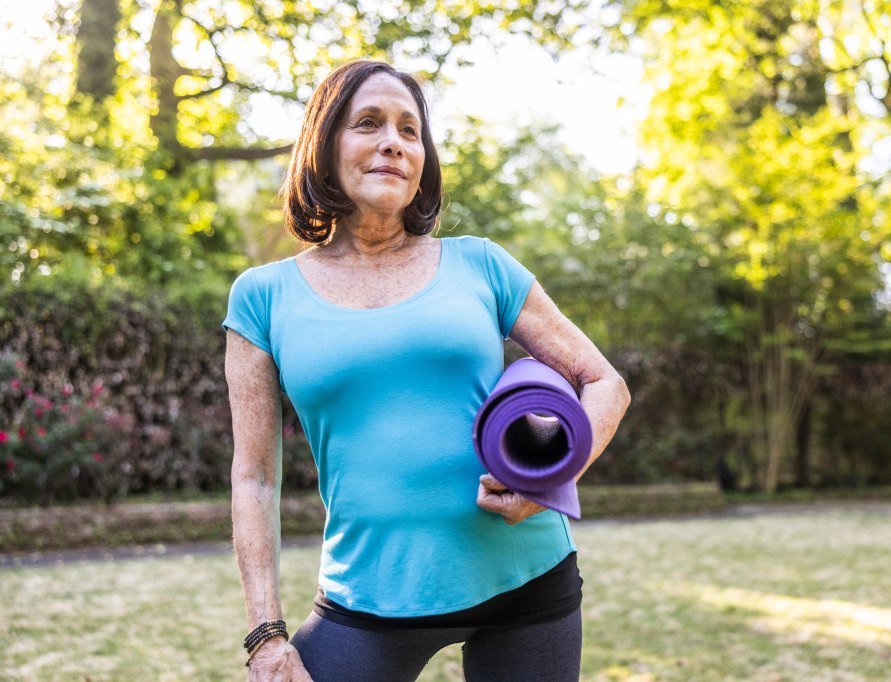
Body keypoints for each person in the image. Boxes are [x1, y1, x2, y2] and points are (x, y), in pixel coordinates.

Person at [223, 59, 630, 682]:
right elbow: (254, 479)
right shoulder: (262, 296)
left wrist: (544, 486)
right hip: (368, 599)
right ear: (324, 145)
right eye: (368, 122)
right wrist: (266, 636)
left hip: (528, 582)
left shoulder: (482, 266)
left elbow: (605, 383)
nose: (393, 140)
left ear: (423, 159)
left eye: (409, 130)